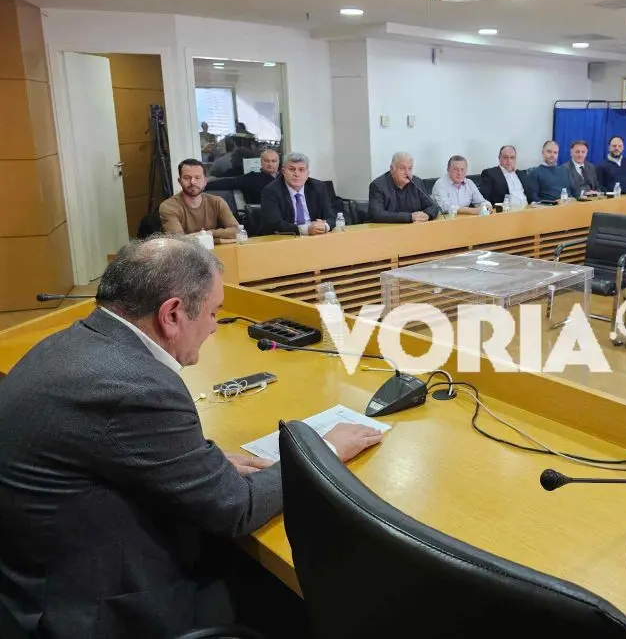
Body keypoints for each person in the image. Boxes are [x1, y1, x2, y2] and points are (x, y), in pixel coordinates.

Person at [0, 237, 382, 639]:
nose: (215, 326)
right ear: (172, 314)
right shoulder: (138, 387)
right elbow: (237, 507)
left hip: (37, 579)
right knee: (306, 602)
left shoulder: (73, 342)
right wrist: (322, 451)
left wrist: (196, 461)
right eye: (213, 312)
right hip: (95, 608)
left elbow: (115, 445)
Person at [260, 152, 341, 235]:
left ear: (307, 173)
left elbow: (331, 216)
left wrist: (325, 226)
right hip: (287, 236)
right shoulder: (271, 191)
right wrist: (306, 229)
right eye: (292, 169)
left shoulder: (318, 187)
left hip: (316, 235)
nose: (296, 174)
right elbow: (274, 224)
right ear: (283, 172)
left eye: (301, 170)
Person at [159, 159, 239, 240]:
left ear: (205, 181)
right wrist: (212, 237)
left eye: (197, 177)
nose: (193, 182)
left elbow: (237, 231)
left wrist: (209, 233)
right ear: (179, 181)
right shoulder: (169, 206)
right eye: (187, 178)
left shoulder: (217, 202)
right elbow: (179, 240)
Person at [368, 151, 440, 223]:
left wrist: (427, 215)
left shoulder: (417, 182)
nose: (407, 173)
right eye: (402, 168)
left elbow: (433, 206)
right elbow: (377, 214)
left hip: (414, 228)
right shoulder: (378, 185)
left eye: (410, 168)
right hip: (387, 229)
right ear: (392, 169)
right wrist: (410, 217)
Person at [206, 147, 281, 204]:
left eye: (274, 161)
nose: (270, 164)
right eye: (266, 161)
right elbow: (228, 183)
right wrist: (204, 185)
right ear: (261, 162)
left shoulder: (283, 178)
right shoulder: (252, 178)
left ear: (278, 162)